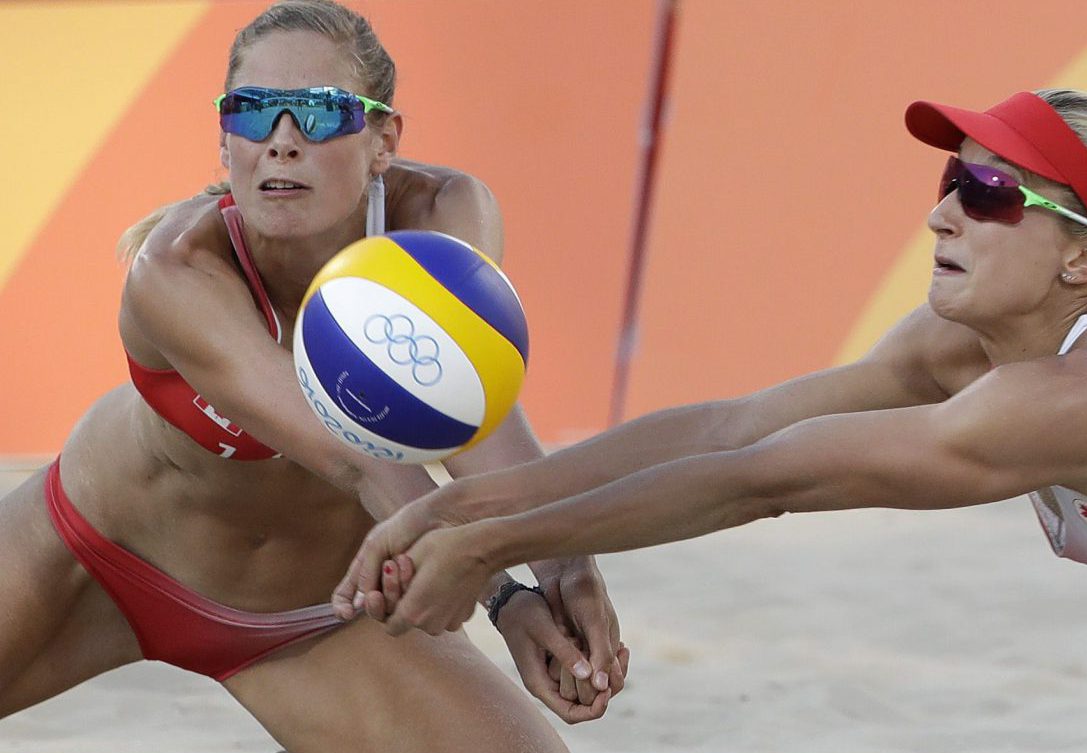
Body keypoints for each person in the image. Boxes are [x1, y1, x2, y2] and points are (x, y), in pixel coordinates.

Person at [340, 87, 1087, 750]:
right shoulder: (966, 346)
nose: (941, 213)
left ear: (1084, 257)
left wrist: (491, 544)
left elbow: (770, 482)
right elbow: (733, 431)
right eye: (950, 181)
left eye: (989, 193)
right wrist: (453, 513)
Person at [0, 1, 629, 749]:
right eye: (254, 112)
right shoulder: (175, 269)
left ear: (383, 138)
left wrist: (566, 569)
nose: (282, 142)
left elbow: (472, 419)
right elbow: (351, 452)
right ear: (225, 138)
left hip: (314, 615)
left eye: (319, 114)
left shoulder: (443, 214)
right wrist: (501, 592)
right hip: (98, 552)